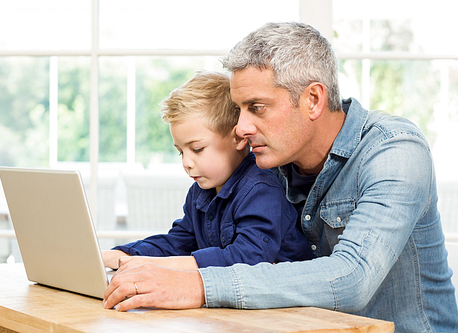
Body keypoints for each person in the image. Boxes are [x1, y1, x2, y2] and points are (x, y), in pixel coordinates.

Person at [103, 23, 458, 332]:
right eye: (239, 109)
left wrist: (197, 285)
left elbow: (352, 278)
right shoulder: (269, 162)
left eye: (256, 108)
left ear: (313, 100)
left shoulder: (395, 151)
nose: (240, 128)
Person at [102, 70, 312, 272]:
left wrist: (160, 266)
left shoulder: (260, 190)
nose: (186, 162)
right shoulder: (199, 192)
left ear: (238, 138)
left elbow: (247, 259)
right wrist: (124, 255)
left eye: (197, 149)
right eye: (180, 152)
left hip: (283, 306)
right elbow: (178, 242)